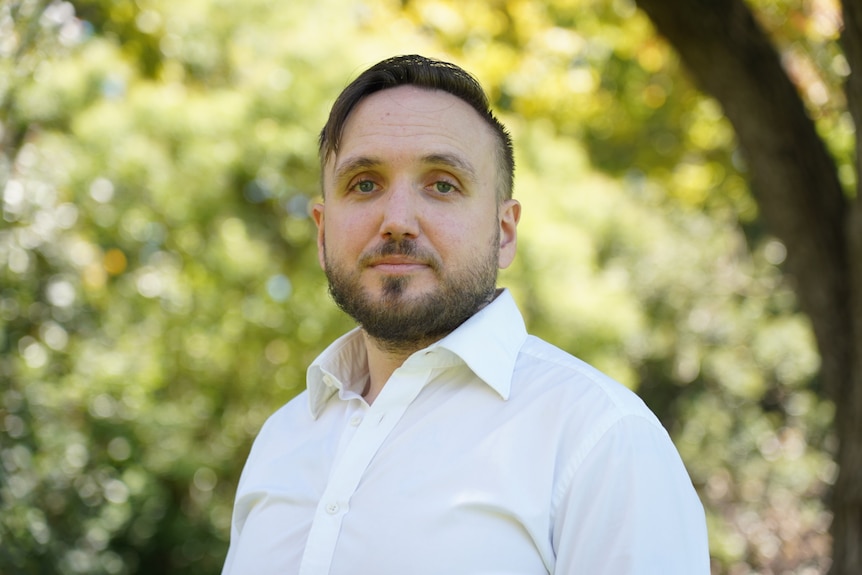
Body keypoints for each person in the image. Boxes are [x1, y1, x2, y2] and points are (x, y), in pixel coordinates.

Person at [221, 54, 710, 574]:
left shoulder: (600, 437)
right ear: (322, 231)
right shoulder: (283, 439)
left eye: (442, 184)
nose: (398, 221)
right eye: (364, 184)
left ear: (504, 232)